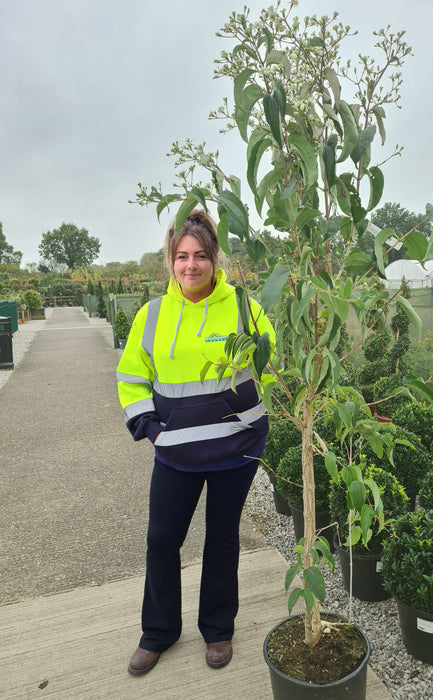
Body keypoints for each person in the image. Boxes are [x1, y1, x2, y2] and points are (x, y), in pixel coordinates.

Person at [116, 210, 275, 676]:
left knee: (222, 539)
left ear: (214, 259)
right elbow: (131, 375)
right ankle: (158, 632)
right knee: (162, 539)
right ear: (171, 262)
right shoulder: (153, 314)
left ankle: (218, 629)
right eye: (182, 257)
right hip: (176, 451)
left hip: (235, 450)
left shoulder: (244, 307)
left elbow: (270, 363)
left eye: (200, 255)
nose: (191, 266)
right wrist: (150, 426)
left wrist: (250, 412)